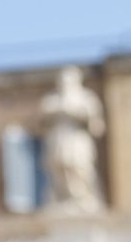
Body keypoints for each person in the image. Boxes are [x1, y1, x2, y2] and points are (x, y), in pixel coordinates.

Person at [39, 66, 106, 214]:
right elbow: (40, 126)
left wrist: (77, 113)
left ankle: (83, 199)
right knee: (60, 168)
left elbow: (98, 126)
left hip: (77, 140)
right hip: (59, 140)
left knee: (80, 169)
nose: (65, 83)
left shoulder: (87, 99)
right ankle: (64, 199)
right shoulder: (52, 101)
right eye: (63, 80)